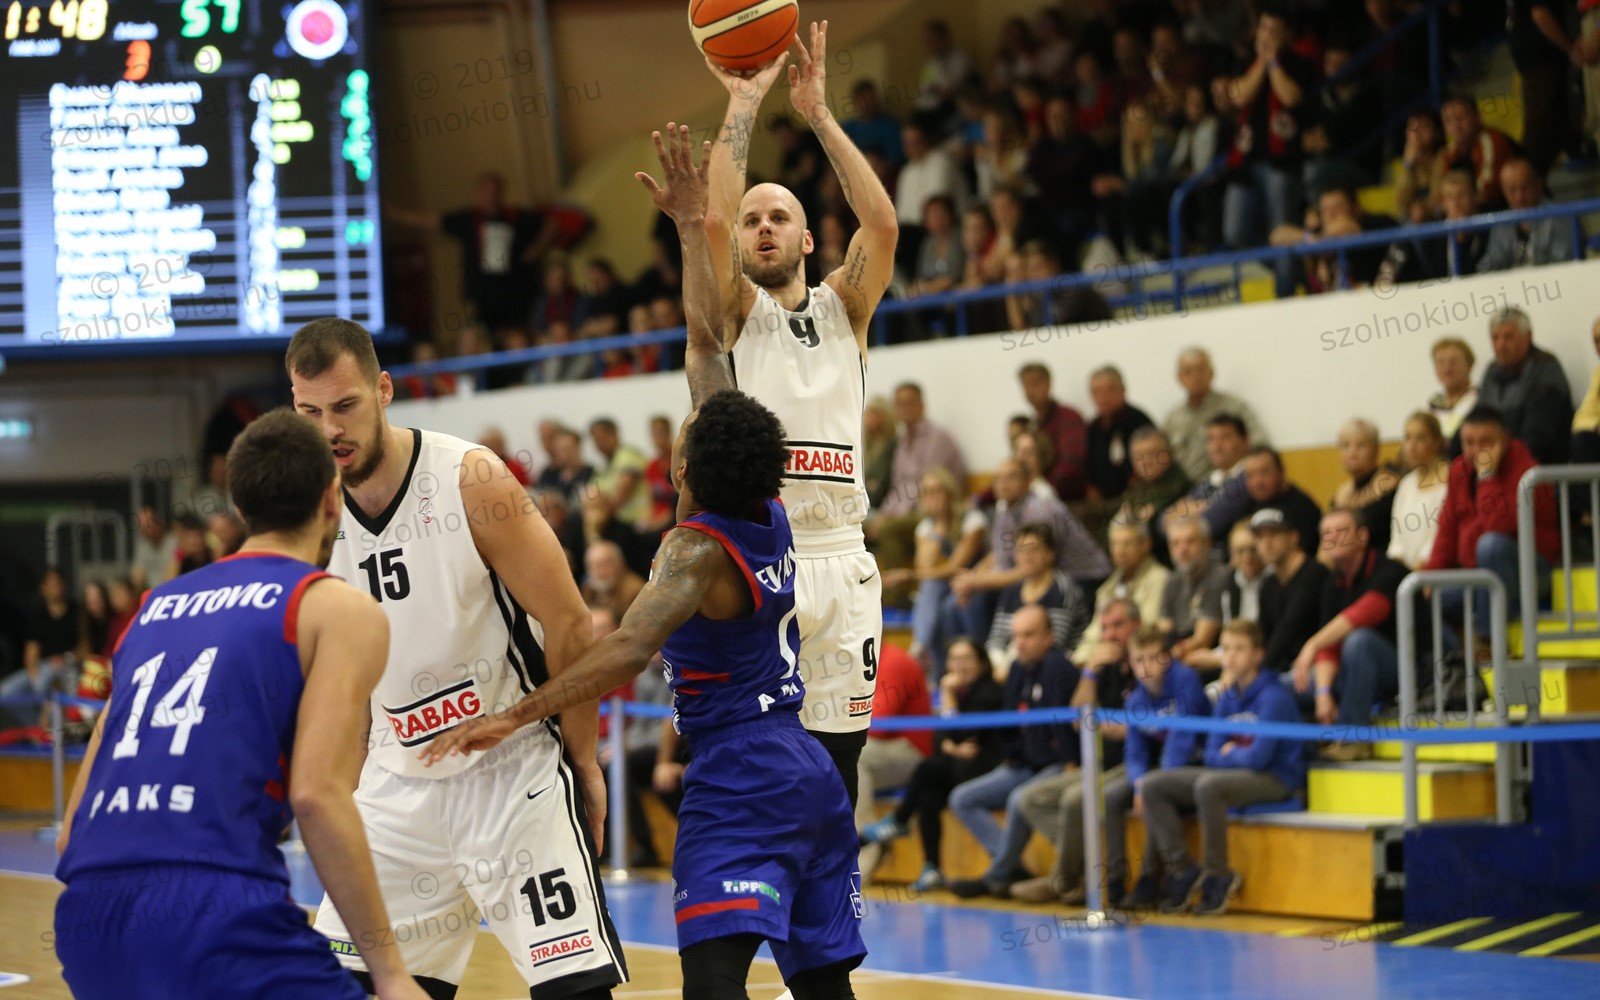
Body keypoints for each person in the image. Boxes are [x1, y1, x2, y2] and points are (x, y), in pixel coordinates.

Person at [423, 389, 866, 999]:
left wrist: (516, 714)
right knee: (823, 984)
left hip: (743, 772)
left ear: (682, 469)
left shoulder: (694, 550)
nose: (690, 415)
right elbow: (714, 391)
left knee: (712, 983)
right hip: (808, 765)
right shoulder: (770, 513)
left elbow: (630, 647)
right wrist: (704, 332)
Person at [286, 319, 625, 997]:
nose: (331, 431)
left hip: (511, 773)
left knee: (578, 991)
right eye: (310, 413)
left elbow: (567, 620)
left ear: (384, 390)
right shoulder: (308, 512)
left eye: (345, 405)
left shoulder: (470, 478)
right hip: (394, 784)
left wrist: (584, 760)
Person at [53, 409, 429, 1000]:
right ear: (331, 499)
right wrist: (391, 973)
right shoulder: (334, 607)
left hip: (86, 919)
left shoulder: (152, 609)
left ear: (238, 504)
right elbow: (316, 796)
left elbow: (69, 830)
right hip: (213, 911)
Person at [703, 26, 901, 808]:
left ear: (809, 238)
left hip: (843, 555)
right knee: (765, 760)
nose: (762, 226)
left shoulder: (845, 306)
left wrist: (818, 113)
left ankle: (832, 890)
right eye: (753, 219)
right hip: (766, 552)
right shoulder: (735, 309)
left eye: (779, 217)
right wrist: (745, 102)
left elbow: (882, 226)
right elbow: (711, 222)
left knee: (837, 767)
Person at [1136, 620, 1304, 916]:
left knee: (1209, 786)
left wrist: (1231, 752)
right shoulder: (1228, 696)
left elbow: (1259, 759)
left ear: (1258, 655)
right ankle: (1183, 871)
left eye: (1239, 649)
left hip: (1276, 777)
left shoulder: (1274, 697)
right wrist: (1233, 754)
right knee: (1153, 784)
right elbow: (1212, 754)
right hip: (1234, 773)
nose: (1231, 656)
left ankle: (1218, 874)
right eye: (1226, 649)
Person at [947, 605, 1079, 899]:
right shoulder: (1018, 668)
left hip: (1058, 763)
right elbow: (1008, 720)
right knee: (963, 798)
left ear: (1049, 637)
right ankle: (1012, 868)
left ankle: (994, 876)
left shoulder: (1059, 668)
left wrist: (1071, 761)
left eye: (1028, 635)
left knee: (1019, 799)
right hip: (1022, 764)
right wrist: (1011, 755)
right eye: (1016, 636)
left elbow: (1063, 725)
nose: (1020, 642)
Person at [859, 637, 1004, 892]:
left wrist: (947, 698)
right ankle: (932, 867)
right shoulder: (963, 692)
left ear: (982, 662)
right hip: (959, 764)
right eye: (954, 659)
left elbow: (956, 732)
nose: (960, 665)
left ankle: (899, 820)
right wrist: (950, 743)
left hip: (984, 767)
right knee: (929, 795)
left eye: (967, 659)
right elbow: (941, 736)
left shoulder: (988, 691)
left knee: (928, 769)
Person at [386, 172, 554, 331]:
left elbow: (552, 225)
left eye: (494, 191)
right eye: (486, 191)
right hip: (483, 294)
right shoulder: (469, 220)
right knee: (480, 333)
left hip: (516, 291)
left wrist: (535, 250)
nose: (491, 196)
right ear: (478, 193)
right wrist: (392, 214)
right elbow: (430, 221)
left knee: (517, 333)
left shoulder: (516, 217)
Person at [1476, 305, 1575, 466]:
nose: (1501, 345)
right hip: (1495, 463)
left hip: (1539, 468)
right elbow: (1478, 421)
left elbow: (1537, 437)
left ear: (1528, 336)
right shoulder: (1492, 370)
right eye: (1495, 338)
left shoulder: (1545, 368)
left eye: (1508, 337)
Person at [1388, 412, 1451, 571]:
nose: (1412, 445)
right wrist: (1397, 570)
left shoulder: (1449, 480)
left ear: (1437, 442)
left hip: (1436, 568)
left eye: (1420, 438)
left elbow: (1441, 533)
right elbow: (1397, 538)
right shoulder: (1406, 484)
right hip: (1406, 570)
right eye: (1407, 438)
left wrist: (1420, 567)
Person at [1427, 336, 1479, 444]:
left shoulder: (1479, 400)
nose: (1446, 368)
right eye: (1440, 362)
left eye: (1453, 362)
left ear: (1469, 365)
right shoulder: (1433, 403)